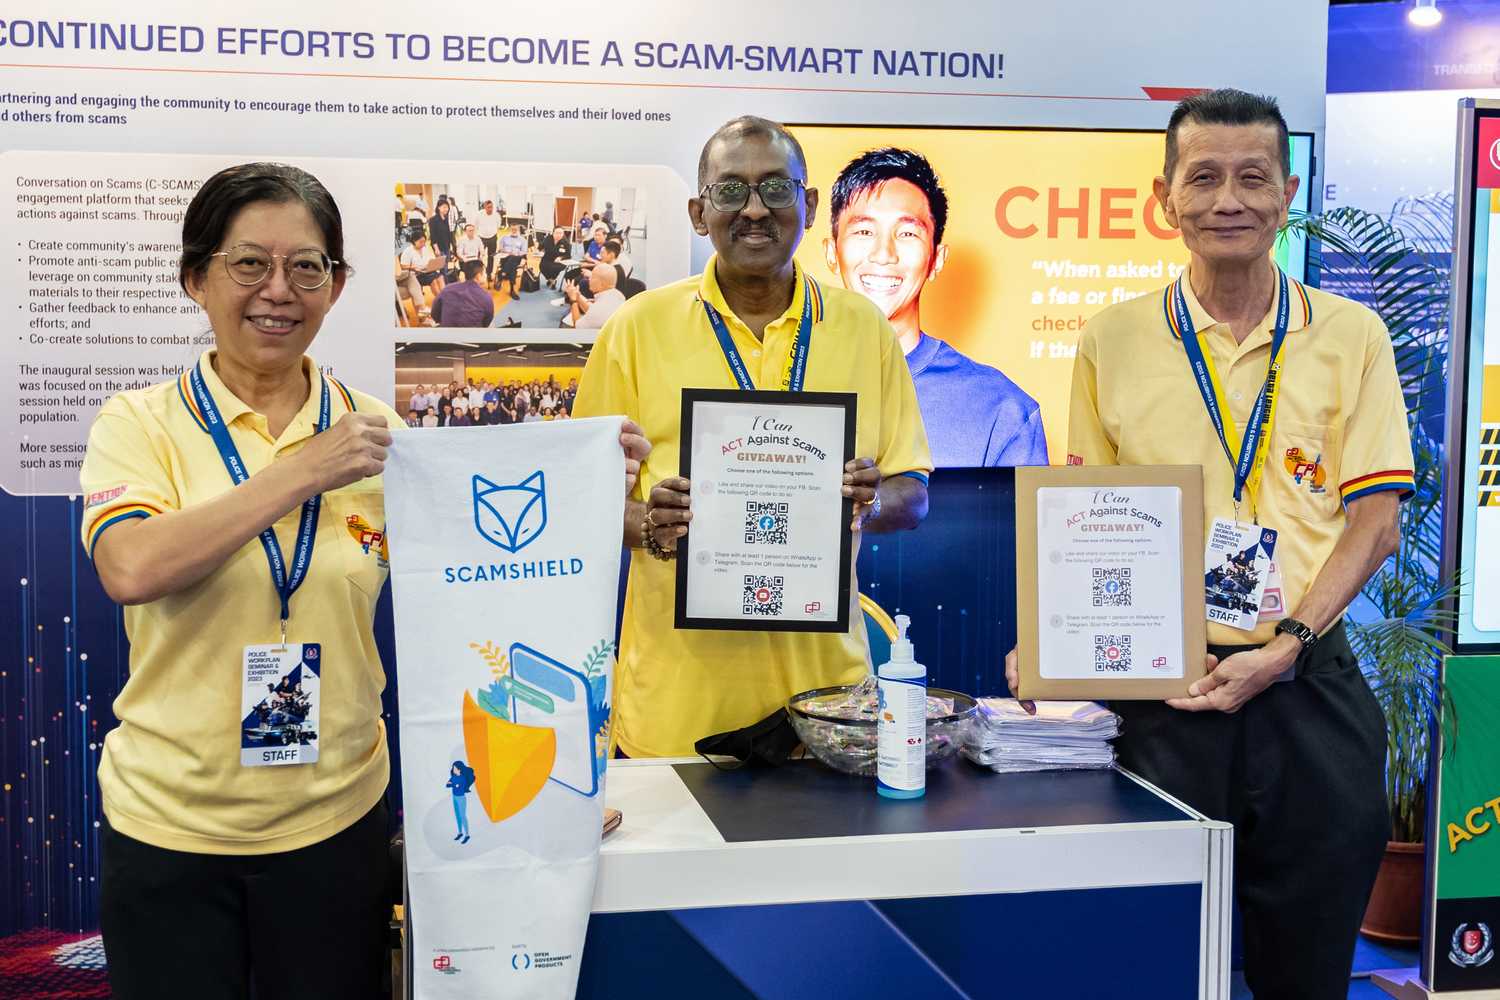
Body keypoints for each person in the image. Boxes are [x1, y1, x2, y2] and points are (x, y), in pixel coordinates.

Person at [79, 162, 652, 999]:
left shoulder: (379, 434)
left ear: (337, 285)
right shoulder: (139, 424)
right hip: (170, 832)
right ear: (195, 277)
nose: (279, 290)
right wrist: (304, 471)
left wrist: (595, 482)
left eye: (306, 267)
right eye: (249, 263)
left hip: (334, 826)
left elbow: (490, 583)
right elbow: (130, 567)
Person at [1004, 89, 1412, 999]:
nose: (1228, 198)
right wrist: (1057, 637)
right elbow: (1088, 515)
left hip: (1309, 690)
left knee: (1304, 972)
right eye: (1204, 177)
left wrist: (1285, 647)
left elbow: (1377, 520)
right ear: (1165, 198)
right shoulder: (1113, 338)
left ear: (1286, 192)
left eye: (1252, 177)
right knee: (1153, 959)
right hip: (1165, 700)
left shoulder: (1351, 336)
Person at [574, 115, 933, 758]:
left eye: (777, 188)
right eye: (731, 190)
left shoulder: (863, 329)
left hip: (826, 701)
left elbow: (913, 491)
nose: (755, 211)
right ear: (697, 210)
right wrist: (651, 526)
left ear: (810, 204)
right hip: (676, 702)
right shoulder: (636, 328)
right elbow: (580, 504)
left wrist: (866, 504)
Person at [826, 147, 1047, 468]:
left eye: (907, 233)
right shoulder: (784, 384)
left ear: (936, 259)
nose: (884, 254)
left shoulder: (1002, 410)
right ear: (832, 252)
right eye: (864, 231)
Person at [564, 258, 626, 330]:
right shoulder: (618, 295)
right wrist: (578, 296)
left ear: (601, 284)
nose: (589, 279)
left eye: (592, 277)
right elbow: (593, 310)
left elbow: (578, 327)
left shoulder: (598, 310)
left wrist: (573, 300)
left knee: (564, 324)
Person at [431, 259, 495, 328]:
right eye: (484, 273)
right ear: (478, 276)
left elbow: (434, 314)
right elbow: (487, 322)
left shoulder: (447, 289)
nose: (485, 275)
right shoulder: (485, 297)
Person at [398, 228, 444, 320]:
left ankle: (444, 298)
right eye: (421, 242)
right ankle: (441, 303)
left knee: (440, 277)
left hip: (426, 271)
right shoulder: (408, 251)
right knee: (434, 281)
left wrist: (433, 264)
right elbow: (402, 266)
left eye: (424, 242)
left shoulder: (425, 248)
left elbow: (429, 260)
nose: (423, 244)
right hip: (416, 274)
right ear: (414, 241)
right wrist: (413, 268)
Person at [446, 762, 474, 844]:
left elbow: (459, 787)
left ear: (459, 769)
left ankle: (467, 835)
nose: (453, 769)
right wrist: (454, 785)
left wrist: (453, 784)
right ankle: (460, 833)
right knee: (457, 815)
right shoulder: (453, 777)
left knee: (462, 816)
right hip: (454, 797)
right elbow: (447, 785)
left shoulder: (463, 778)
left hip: (461, 798)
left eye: (454, 768)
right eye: (453, 768)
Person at [474, 199, 501, 281]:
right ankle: (477, 274)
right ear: (484, 207)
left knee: (491, 257)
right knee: (479, 256)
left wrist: (492, 231)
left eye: (492, 207)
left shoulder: (496, 215)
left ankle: (489, 274)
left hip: (493, 238)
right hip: (481, 238)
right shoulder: (479, 214)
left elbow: (498, 225)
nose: (490, 209)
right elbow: (476, 225)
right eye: (488, 207)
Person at [498, 224, 527, 299]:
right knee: (513, 268)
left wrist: (516, 253)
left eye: (515, 229)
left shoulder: (523, 240)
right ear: (510, 229)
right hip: (505, 257)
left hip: (517, 257)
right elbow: (500, 248)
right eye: (512, 229)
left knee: (513, 258)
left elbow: (524, 251)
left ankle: (502, 273)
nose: (514, 231)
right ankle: (512, 290)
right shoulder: (504, 238)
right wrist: (507, 252)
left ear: (519, 230)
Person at [427, 199, 456, 265]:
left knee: (448, 264)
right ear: (439, 207)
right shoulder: (433, 220)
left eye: (447, 207)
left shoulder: (445, 218)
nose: (446, 209)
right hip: (439, 246)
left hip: (446, 245)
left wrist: (450, 246)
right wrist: (436, 249)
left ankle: (446, 275)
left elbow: (448, 233)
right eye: (444, 207)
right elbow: (433, 236)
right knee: (442, 266)